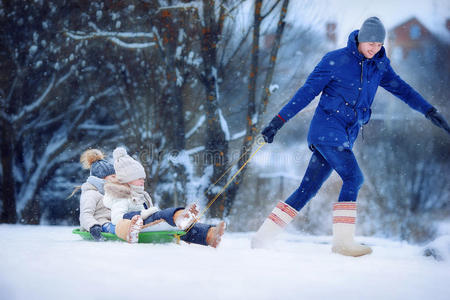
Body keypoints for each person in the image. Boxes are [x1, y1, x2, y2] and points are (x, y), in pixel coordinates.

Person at [251, 17, 450, 256]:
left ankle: (262, 238)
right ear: (360, 38)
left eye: (378, 44)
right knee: (354, 178)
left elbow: (403, 90)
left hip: (345, 136)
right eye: (370, 43)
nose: (373, 48)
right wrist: (278, 122)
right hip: (326, 131)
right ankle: (343, 243)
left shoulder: (379, 66)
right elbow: (306, 93)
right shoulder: (335, 61)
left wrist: (430, 111)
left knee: (307, 189)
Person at [103, 147, 226, 247]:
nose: (143, 181)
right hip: (134, 225)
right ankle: (181, 216)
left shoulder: (142, 196)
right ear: (127, 179)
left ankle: (209, 235)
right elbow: (117, 220)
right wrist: (143, 214)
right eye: (139, 178)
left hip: (147, 224)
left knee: (177, 229)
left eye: (143, 178)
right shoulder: (121, 196)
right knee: (162, 215)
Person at [78, 149, 116, 241]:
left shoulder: (112, 192)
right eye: (113, 176)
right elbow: (85, 215)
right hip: (101, 224)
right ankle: (124, 231)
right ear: (101, 178)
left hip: (116, 221)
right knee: (114, 227)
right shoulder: (91, 194)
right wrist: (93, 226)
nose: (116, 179)